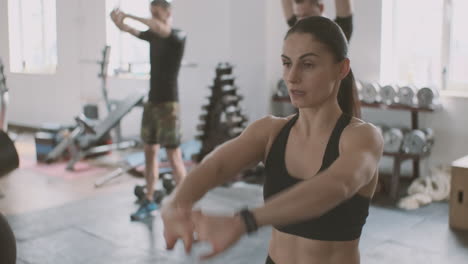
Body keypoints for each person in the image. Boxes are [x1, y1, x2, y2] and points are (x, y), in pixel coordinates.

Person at [161, 16, 383, 264]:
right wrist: (174, 204)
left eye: (308, 64)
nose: (292, 77)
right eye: (287, 63)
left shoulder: (362, 137)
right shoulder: (270, 132)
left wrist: (244, 222)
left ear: (342, 68)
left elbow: (335, 186)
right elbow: (215, 166)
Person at [110, 0, 187, 221]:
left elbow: (161, 29)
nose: (152, 16)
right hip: (152, 103)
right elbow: (129, 30)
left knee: (173, 156)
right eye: (150, 12)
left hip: (169, 104)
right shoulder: (152, 35)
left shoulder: (177, 36)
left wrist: (130, 16)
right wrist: (117, 20)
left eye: (156, 12)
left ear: (168, 12)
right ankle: (150, 199)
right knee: (150, 152)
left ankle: (185, 203)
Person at [281, 0, 354, 41]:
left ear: (321, 8)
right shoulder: (297, 26)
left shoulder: (337, 35)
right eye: (298, 16)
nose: (302, 22)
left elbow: (345, 16)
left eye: (307, 16)